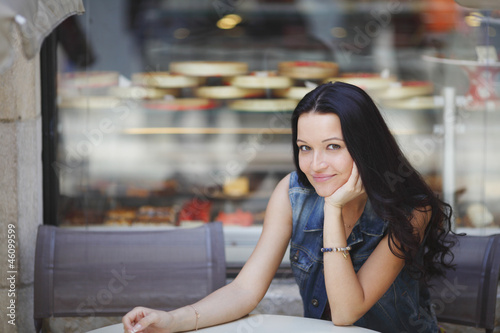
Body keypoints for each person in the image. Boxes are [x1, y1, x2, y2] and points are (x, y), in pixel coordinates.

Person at [122, 81, 454, 333]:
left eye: (333, 146)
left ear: (365, 146)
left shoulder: (411, 209)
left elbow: (346, 312)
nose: (316, 164)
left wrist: (334, 210)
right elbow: (245, 289)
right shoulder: (292, 193)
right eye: (305, 148)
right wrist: (171, 320)